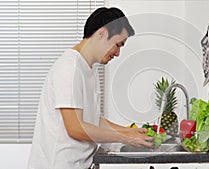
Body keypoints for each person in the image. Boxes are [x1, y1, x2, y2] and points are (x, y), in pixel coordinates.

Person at [27, 7, 153, 169]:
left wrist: (130, 132)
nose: (118, 53)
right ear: (101, 33)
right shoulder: (70, 68)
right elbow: (75, 128)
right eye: (118, 44)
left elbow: (94, 121)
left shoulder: (89, 69)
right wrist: (125, 138)